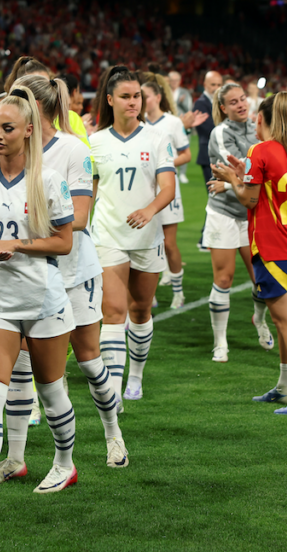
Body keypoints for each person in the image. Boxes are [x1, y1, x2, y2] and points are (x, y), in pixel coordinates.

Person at [0, 75, 128, 479]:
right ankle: (16, 458)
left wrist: (22, 227)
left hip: (71, 273)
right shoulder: (7, 150)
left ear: (36, 108)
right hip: (25, 274)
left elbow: (81, 218)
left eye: (17, 101)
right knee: (20, 365)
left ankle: (113, 434)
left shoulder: (72, 149)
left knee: (88, 359)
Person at [0, 88, 79, 516]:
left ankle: (64, 463)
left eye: (7, 128)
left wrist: (16, 246)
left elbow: (64, 242)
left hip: (43, 299)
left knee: (51, 390)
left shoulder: (47, 180)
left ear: (29, 131)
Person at [211, 93, 287, 415]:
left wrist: (232, 179)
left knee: (286, 319)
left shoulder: (259, 150)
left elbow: (249, 200)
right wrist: (241, 175)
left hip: (273, 245)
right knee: (284, 318)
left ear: (261, 119)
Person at [91, 66, 176, 403]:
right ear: (110, 100)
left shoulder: (157, 139)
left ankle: (136, 378)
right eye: (125, 96)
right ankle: (113, 391)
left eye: (137, 96)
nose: (132, 102)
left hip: (147, 238)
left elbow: (167, 188)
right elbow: (91, 190)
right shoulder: (95, 142)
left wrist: (149, 211)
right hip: (108, 235)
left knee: (140, 310)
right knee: (113, 311)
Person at [204, 82, 268, 362]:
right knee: (224, 278)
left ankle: (260, 319)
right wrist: (233, 183)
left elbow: (251, 173)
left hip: (254, 212)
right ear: (223, 108)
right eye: (233, 102)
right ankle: (220, 342)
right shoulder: (219, 133)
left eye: (243, 99)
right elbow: (241, 170)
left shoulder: (259, 127)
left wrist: (229, 183)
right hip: (224, 213)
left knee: (263, 279)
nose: (241, 105)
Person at [142, 78, 190, 310]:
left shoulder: (172, 122)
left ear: (158, 97)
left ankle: (178, 292)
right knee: (148, 243)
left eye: (146, 96)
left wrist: (165, 165)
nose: (142, 101)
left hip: (168, 190)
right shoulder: (138, 123)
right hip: (144, 192)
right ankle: (149, 295)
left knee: (169, 244)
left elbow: (186, 154)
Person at [191, 70, 223, 185]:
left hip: (220, 153)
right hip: (208, 154)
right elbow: (209, 128)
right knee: (214, 194)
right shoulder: (200, 103)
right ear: (205, 85)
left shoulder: (220, 102)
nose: (216, 88)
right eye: (213, 84)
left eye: (219, 85)